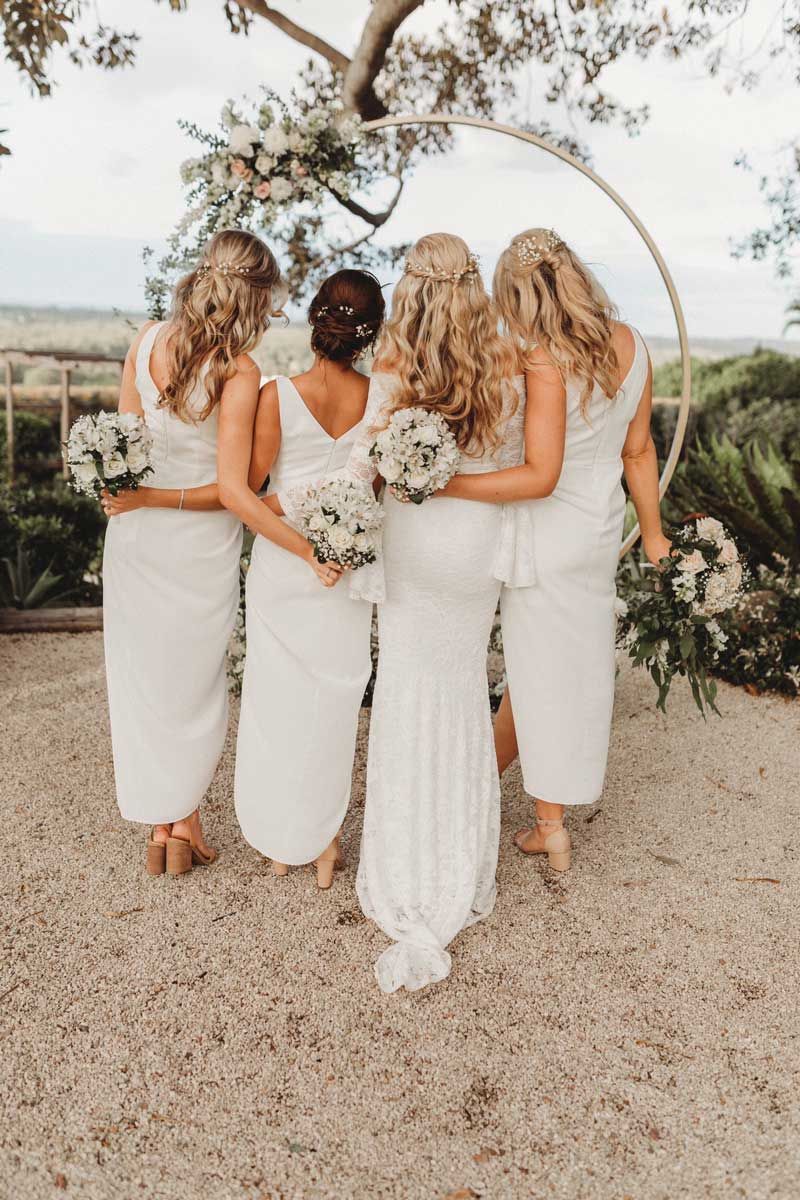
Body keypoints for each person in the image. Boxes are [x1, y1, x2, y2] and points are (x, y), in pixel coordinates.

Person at [280, 234, 523, 990]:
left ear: (412, 291)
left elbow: (362, 469)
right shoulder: (507, 363)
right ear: (474, 286)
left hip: (417, 546)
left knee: (410, 692)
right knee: (459, 688)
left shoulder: (394, 365)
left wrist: (303, 513)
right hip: (475, 549)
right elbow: (521, 470)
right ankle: (459, 858)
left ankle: (407, 863)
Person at [438, 228, 671, 871]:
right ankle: (475, 785)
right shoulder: (634, 345)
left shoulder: (541, 358)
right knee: (559, 668)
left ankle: (549, 825)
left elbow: (539, 468)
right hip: (597, 530)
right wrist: (652, 535)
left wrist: (446, 484)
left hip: (543, 529)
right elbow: (639, 450)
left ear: (518, 293)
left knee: (542, 672)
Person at [103, 229, 295, 876]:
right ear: (255, 296)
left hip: (132, 538)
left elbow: (121, 453)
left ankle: (166, 828)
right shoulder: (238, 372)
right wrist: (156, 500)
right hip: (192, 545)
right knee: (192, 685)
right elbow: (235, 492)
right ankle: (181, 820)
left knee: (144, 681)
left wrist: (126, 495)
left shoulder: (147, 341)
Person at [230, 269, 385, 889]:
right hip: (343, 573)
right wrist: (336, 515)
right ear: (369, 334)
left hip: (284, 567)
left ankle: (279, 841)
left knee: (277, 704)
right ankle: (323, 842)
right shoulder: (382, 403)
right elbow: (371, 493)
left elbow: (248, 496)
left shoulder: (274, 396)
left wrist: (293, 505)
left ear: (317, 321)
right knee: (333, 707)